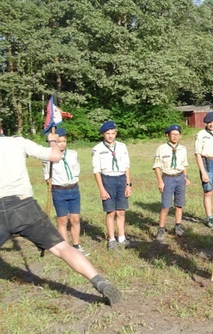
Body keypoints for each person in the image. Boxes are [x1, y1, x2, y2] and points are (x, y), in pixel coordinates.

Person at [1, 133, 121, 305]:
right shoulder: (17, 142)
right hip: (23, 206)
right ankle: (100, 282)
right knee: (62, 248)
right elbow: (55, 156)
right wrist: (52, 140)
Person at [42, 127, 88, 255]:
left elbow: (77, 169)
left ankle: (76, 245)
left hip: (73, 189)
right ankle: (65, 248)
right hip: (59, 191)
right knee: (62, 220)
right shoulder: (48, 157)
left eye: (64, 141)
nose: (62, 144)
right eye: (58, 141)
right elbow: (47, 176)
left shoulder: (73, 154)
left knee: (75, 219)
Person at [92, 121, 132, 250]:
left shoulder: (122, 146)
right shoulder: (97, 149)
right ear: (103, 134)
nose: (110, 136)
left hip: (121, 178)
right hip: (107, 179)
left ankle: (121, 237)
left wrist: (128, 184)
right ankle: (111, 239)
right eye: (107, 133)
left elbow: (126, 166)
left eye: (113, 133)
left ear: (116, 133)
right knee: (111, 212)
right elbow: (96, 171)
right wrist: (102, 189)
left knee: (121, 211)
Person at [153, 124, 191, 242]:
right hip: (167, 178)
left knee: (179, 204)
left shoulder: (183, 149)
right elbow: (157, 166)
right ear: (167, 135)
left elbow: (185, 164)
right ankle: (161, 228)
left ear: (180, 136)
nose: (175, 137)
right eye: (172, 134)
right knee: (166, 206)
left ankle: (178, 226)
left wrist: (185, 177)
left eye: (177, 135)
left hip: (179, 177)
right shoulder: (161, 148)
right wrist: (160, 181)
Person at [194, 112, 213, 227]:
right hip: (207, 163)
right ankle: (209, 217)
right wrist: (203, 172)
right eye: (209, 123)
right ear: (205, 123)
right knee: (208, 192)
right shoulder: (201, 135)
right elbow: (197, 154)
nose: (211, 125)